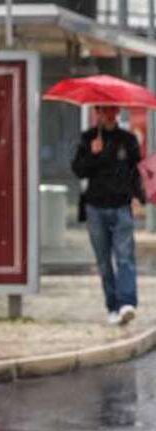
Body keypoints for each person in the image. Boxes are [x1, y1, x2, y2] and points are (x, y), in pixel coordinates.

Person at [72, 105, 145, 326]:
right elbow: (78, 170)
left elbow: (136, 171)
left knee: (125, 258)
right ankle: (112, 306)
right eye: (104, 110)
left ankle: (127, 303)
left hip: (121, 207)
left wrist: (138, 197)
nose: (109, 114)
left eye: (112, 110)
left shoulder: (128, 140)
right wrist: (94, 155)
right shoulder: (88, 138)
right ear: (97, 112)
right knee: (104, 261)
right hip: (95, 208)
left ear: (117, 111)